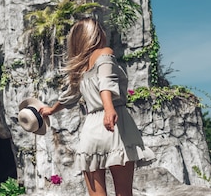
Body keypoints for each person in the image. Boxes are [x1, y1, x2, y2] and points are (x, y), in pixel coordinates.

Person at [39, 17, 154, 196]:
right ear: (95, 35)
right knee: (124, 193)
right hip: (115, 127)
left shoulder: (81, 67)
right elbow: (105, 82)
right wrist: (109, 109)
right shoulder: (104, 53)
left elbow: (70, 95)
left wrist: (51, 110)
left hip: (91, 130)